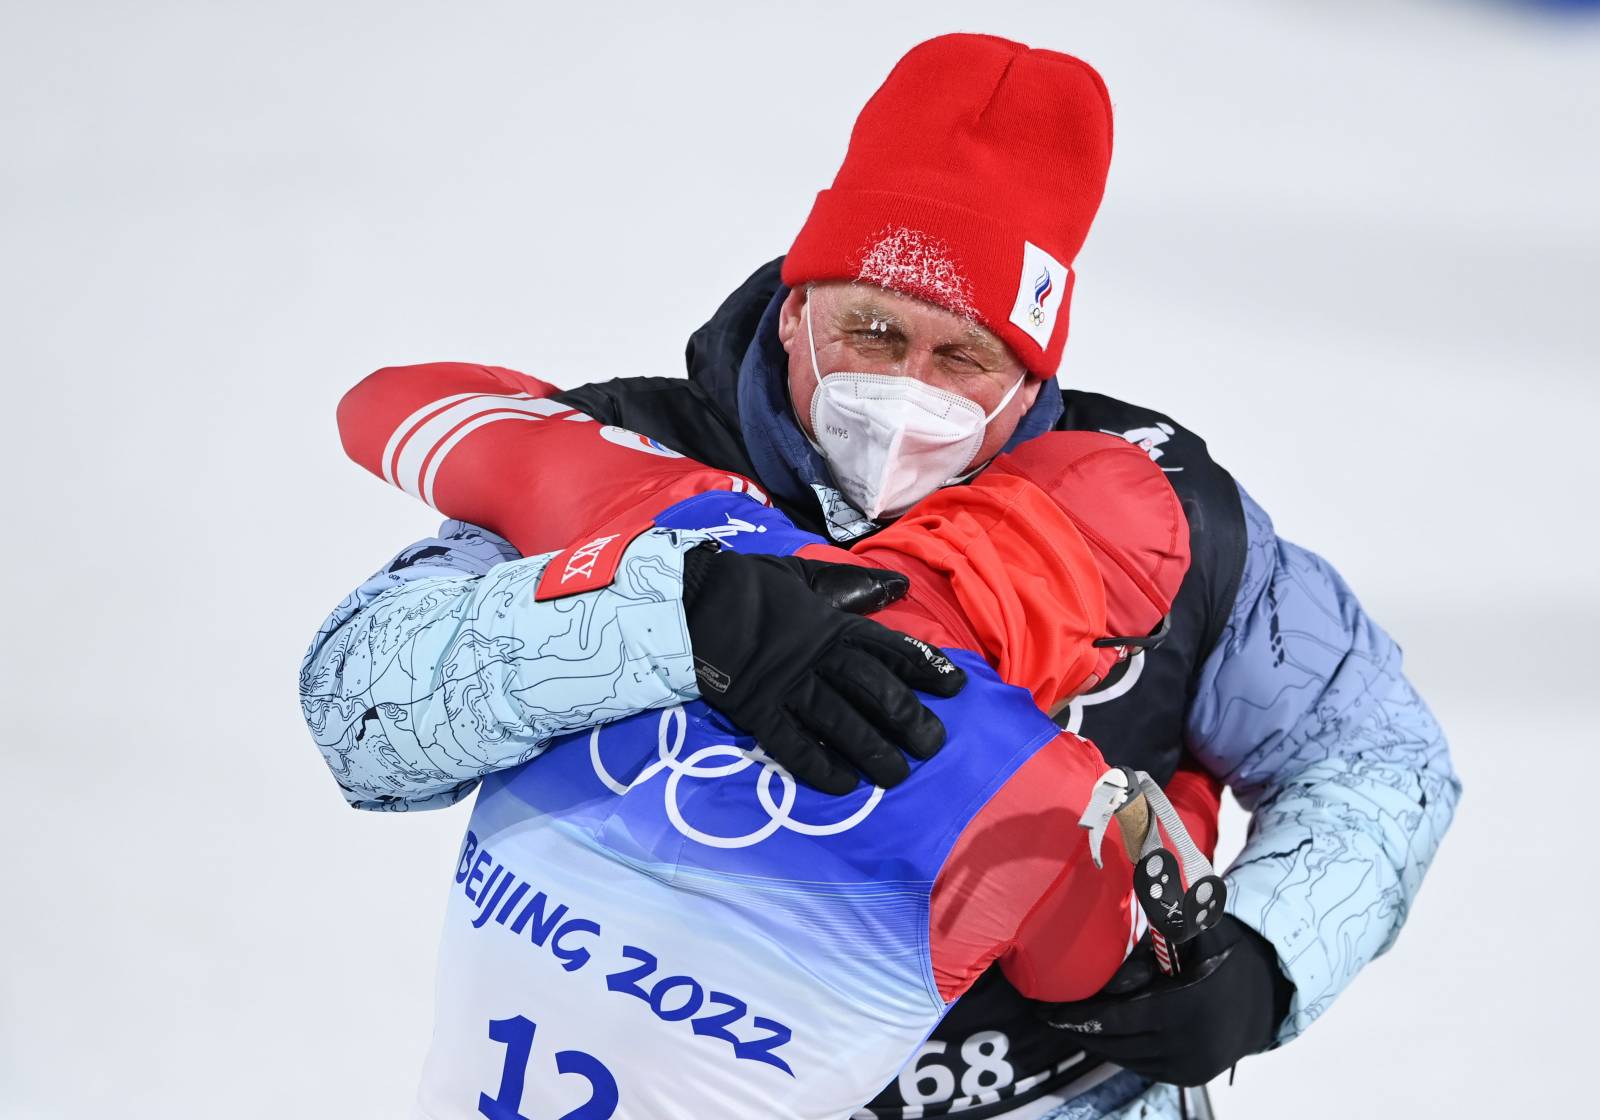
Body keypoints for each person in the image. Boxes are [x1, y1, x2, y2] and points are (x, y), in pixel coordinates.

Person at [301, 31, 1460, 1120]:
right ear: (796, 306)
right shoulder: (632, 460)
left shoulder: (1163, 518)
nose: (906, 387)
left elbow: (1374, 755)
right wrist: (676, 620)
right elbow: (361, 706)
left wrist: (1266, 957)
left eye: (964, 356)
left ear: (1028, 376)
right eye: (869, 330)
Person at [312, 358, 1217, 1119]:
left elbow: (378, 408)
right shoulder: (1056, 801)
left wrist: (664, 564)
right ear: (1101, 659)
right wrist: (1190, 800)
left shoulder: (690, 520)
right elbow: (1113, 976)